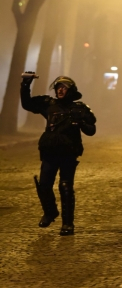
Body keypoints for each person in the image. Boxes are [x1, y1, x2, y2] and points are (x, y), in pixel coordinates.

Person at [20, 73, 96, 236]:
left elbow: (91, 130)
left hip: (68, 153)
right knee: (45, 185)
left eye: (64, 88)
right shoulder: (48, 104)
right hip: (50, 153)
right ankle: (50, 212)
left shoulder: (80, 108)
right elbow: (27, 104)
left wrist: (81, 122)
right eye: (58, 88)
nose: (60, 90)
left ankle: (68, 224)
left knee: (66, 187)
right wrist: (26, 85)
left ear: (71, 90)